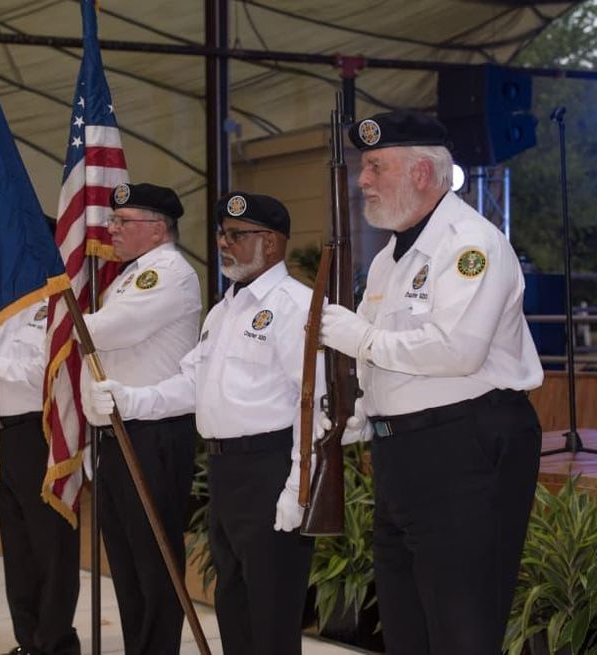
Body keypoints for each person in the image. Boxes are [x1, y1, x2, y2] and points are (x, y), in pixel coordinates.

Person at [318, 108, 544, 654]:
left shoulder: (470, 245)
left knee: (460, 620)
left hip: (463, 444)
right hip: (405, 451)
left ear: (422, 172)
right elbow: (394, 356)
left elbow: (456, 351)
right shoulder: (389, 259)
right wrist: (364, 408)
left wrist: (360, 339)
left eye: (375, 167)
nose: (362, 180)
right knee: (405, 620)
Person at [86, 192, 320, 655]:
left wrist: (300, 485)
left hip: (272, 467)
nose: (223, 244)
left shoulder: (296, 305)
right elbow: (192, 382)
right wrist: (130, 400)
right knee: (233, 601)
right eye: (221, 234)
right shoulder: (224, 309)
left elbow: (317, 405)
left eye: (237, 235)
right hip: (225, 471)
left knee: (272, 610)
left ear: (271, 244)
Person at [80, 182, 202, 655]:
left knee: (153, 560)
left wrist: (58, 318)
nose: (110, 229)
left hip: (156, 431)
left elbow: (107, 330)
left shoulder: (168, 272)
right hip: (122, 428)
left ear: (156, 229)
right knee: (126, 558)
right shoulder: (129, 276)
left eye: (121, 222)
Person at [0, 293, 81, 655]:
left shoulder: (56, 306)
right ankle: (28, 640)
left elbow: (42, 373)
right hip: (0, 434)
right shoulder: (3, 307)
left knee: (51, 544)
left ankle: (56, 642)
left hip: (39, 432)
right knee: (17, 548)